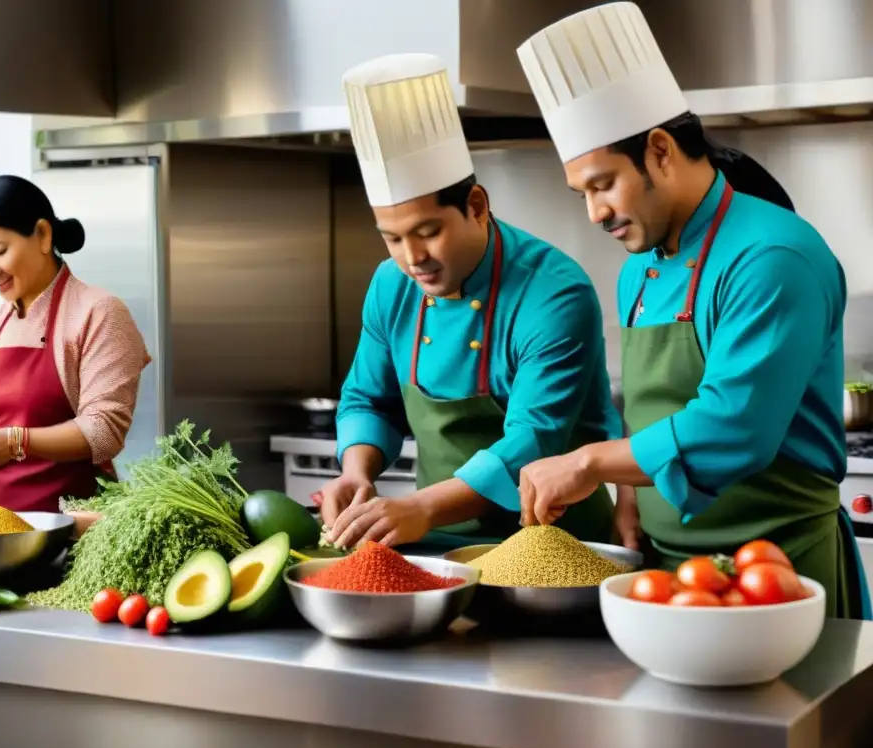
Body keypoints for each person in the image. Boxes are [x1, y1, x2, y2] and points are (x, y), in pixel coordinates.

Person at [513, 1, 871, 618]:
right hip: (660, 575)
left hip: (776, 577)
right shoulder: (638, 269)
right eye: (581, 195)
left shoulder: (773, 256)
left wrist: (589, 462)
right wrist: (628, 493)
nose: (594, 213)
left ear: (659, 150)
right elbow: (650, 410)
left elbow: (733, 426)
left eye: (603, 185)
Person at [319, 53, 622, 552]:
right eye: (392, 239)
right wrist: (357, 470)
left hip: (556, 548)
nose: (412, 258)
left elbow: (533, 440)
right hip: (436, 548)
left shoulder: (553, 292)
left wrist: (420, 507)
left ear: (476, 207)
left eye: (427, 232)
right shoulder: (390, 285)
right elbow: (368, 399)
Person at [0, 175, 151, 517]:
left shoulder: (98, 312)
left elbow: (103, 431)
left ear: (43, 235)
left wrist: (14, 442)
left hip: (69, 530)